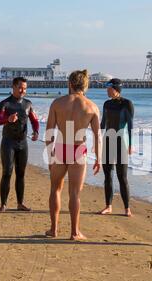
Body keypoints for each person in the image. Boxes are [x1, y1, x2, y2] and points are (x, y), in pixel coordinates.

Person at [45, 70, 101, 241]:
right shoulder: (91, 106)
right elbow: (98, 136)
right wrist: (98, 158)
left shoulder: (57, 103)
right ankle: (75, 232)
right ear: (86, 85)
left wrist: (49, 154)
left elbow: (49, 131)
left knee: (55, 188)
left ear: (70, 83)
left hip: (61, 148)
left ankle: (54, 229)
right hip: (78, 150)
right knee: (75, 193)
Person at [0, 77, 40, 213]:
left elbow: (35, 120)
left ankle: (20, 203)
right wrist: (7, 119)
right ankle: (3, 204)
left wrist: (36, 131)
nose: (23, 91)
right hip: (8, 142)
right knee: (7, 172)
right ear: (13, 87)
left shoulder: (28, 104)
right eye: (20, 87)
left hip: (23, 143)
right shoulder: (5, 104)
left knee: (21, 174)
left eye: (25, 88)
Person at [98, 78, 135, 217]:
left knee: (122, 176)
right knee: (107, 175)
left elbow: (131, 125)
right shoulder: (106, 104)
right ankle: (108, 206)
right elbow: (102, 124)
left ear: (116, 89)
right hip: (107, 142)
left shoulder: (127, 104)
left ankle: (127, 208)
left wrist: (131, 144)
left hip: (121, 142)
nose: (107, 91)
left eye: (109, 88)